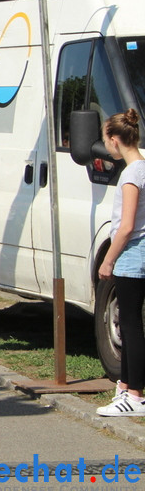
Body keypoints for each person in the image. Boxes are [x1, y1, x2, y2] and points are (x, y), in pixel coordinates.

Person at [97, 109, 145, 417]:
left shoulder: (130, 174)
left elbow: (126, 225)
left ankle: (135, 395)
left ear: (115, 140)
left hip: (132, 255)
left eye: (106, 140)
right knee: (132, 324)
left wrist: (108, 260)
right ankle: (126, 387)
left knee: (130, 325)